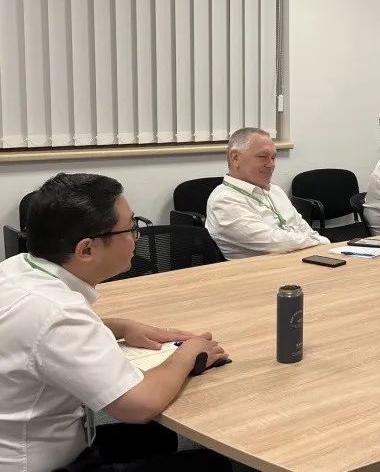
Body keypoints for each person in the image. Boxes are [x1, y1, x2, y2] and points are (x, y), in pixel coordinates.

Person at [0, 173, 230, 472]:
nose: (137, 236)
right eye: (131, 227)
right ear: (86, 249)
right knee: (211, 465)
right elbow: (139, 405)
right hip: (32, 463)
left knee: (156, 436)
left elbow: (37, 334)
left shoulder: (16, 269)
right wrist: (189, 353)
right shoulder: (58, 312)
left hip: (31, 436)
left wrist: (117, 326)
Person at [206, 127, 329, 259]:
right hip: (261, 269)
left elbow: (304, 228)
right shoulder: (223, 200)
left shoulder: (275, 190)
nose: (271, 165)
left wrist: (319, 243)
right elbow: (277, 243)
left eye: (273, 157)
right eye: (263, 157)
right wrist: (321, 242)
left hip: (302, 260)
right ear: (235, 157)